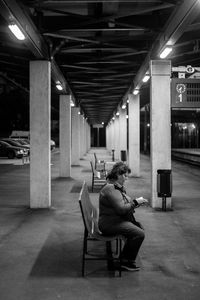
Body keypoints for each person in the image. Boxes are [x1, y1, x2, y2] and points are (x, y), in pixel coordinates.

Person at [98, 161, 148, 271]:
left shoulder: (115, 187)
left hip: (113, 220)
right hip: (109, 223)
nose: (126, 178)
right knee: (139, 233)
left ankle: (127, 259)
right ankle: (124, 262)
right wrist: (134, 203)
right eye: (124, 175)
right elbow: (121, 209)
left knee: (138, 228)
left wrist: (135, 203)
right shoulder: (111, 189)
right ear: (117, 175)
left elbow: (124, 205)